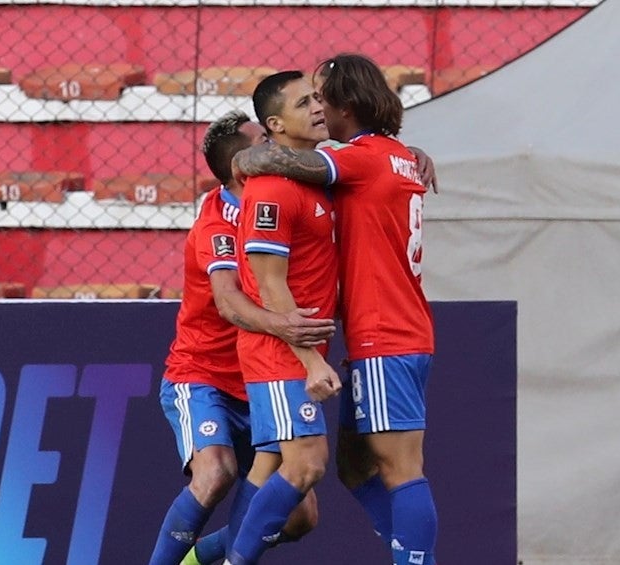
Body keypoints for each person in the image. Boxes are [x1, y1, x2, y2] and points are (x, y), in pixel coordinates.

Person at [231, 53, 438, 565]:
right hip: (395, 329)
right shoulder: (397, 156)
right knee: (355, 467)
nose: (319, 107)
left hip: (385, 335)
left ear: (345, 104)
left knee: (400, 468)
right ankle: (406, 552)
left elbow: (282, 162)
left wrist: (248, 157)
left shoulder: (361, 159)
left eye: (321, 96)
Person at [149, 110, 333, 565]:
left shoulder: (281, 197)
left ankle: (199, 559)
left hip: (260, 378)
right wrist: (289, 327)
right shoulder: (216, 225)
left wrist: (405, 154)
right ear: (241, 167)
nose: (276, 146)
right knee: (216, 473)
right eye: (264, 144)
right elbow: (230, 304)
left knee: (299, 517)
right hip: (203, 376)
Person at [223, 70, 341, 565]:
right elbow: (270, 285)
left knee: (281, 484)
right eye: (303, 103)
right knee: (307, 465)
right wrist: (310, 360)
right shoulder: (271, 190)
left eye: (317, 98)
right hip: (280, 356)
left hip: (295, 354)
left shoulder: (309, 176)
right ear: (274, 124)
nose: (317, 107)